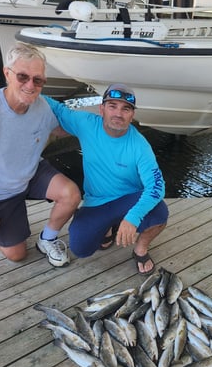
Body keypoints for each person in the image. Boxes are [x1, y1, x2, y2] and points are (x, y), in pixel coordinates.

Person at [0, 42, 81, 266]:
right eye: (23, 77)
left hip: (31, 172)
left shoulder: (42, 106)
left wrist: (100, 129)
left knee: (71, 194)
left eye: (38, 80)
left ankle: (47, 238)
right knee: (17, 255)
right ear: (7, 74)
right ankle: (9, 221)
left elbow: (62, 129)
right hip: (0, 190)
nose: (30, 85)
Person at [45, 84, 168, 275]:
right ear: (101, 109)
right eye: (112, 106)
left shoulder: (140, 146)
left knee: (159, 212)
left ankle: (140, 249)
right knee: (80, 248)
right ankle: (108, 227)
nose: (118, 114)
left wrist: (133, 218)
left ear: (132, 115)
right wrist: (21, 87)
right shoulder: (86, 123)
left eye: (125, 108)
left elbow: (157, 187)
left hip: (128, 200)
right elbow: (56, 108)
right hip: (96, 202)